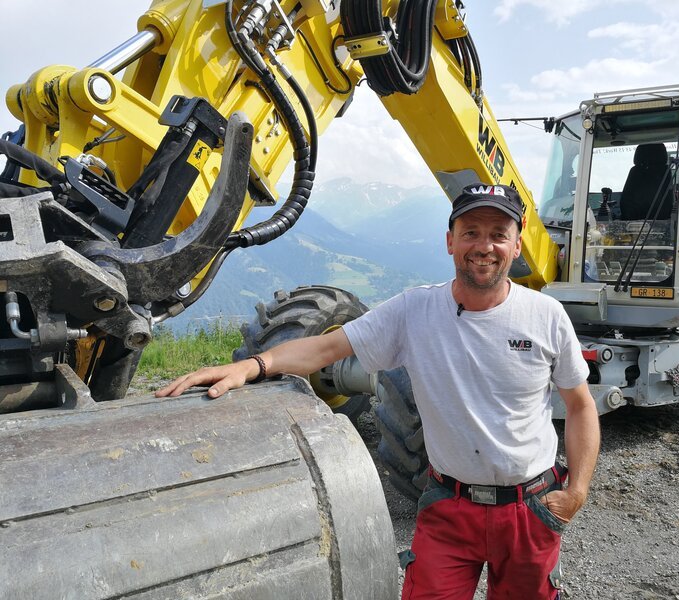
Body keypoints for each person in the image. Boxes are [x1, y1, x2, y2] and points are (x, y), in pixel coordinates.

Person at [157, 182, 601, 599]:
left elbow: (580, 406)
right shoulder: (415, 311)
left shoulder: (546, 316)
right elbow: (327, 347)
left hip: (530, 508)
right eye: (471, 233)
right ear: (450, 241)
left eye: (498, 235)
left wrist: (576, 491)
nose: (484, 247)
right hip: (450, 506)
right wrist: (253, 365)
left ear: (516, 245)